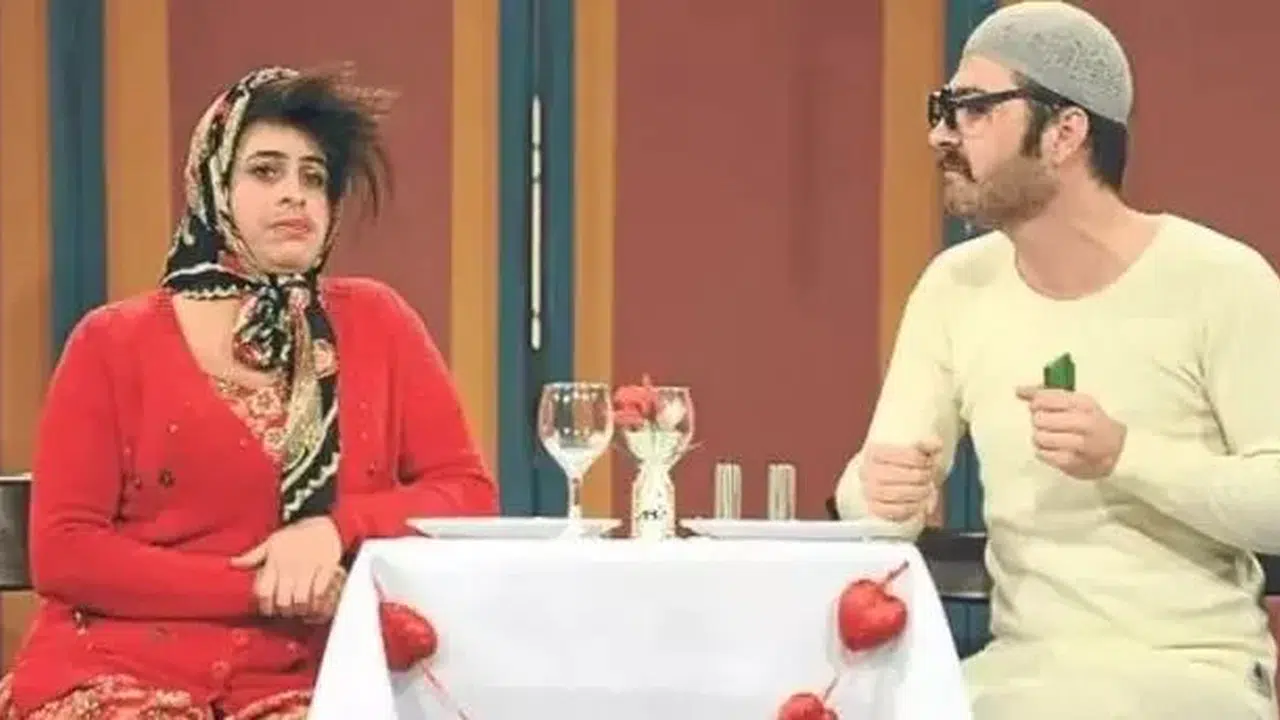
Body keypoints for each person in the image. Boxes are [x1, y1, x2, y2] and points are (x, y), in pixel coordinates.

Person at [0, 65, 499, 719]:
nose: (295, 194)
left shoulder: (379, 322)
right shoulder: (111, 342)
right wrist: (263, 585)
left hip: (304, 675)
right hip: (119, 668)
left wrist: (334, 530)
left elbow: (467, 495)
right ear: (213, 186)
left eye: (313, 177)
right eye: (266, 171)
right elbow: (66, 552)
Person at [833, 2, 1280, 719]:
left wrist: (1125, 455)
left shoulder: (1221, 281)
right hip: (1017, 670)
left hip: (1191, 671)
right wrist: (876, 492)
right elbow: (874, 492)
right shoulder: (956, 286)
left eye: (973, 109)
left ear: (1065, 133)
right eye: (943, 109)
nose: (940, 134)